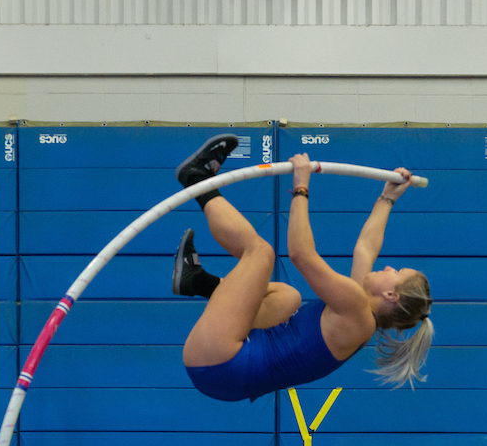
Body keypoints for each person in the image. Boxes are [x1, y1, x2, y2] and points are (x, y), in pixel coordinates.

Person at [170, 134, 433, 402]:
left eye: (396, 273)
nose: (389, 267)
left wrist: (301, 186)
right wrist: (388, 198)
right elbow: (365, 248)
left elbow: (300, 254)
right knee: (287, 297)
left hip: (222, 361)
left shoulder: (356, 309)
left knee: (260, 254)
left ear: (391, 295)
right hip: (224, 375)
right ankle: (198, 281)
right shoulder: (359, 317)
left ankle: (196, 179)